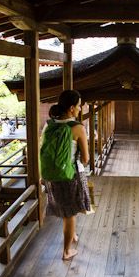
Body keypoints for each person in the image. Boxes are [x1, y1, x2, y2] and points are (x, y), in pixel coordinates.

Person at [42, 90, 90, 260]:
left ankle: (72, 235)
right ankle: (66, 251)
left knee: (65, 207)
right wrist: (74, 167)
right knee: (70, 214)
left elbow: (44, 149)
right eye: (79, 106)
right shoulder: (77, 128)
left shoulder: (50, 125)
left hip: (51, 174)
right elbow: (85, 158)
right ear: (71, 108)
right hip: (70, 175)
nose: (80, 109)